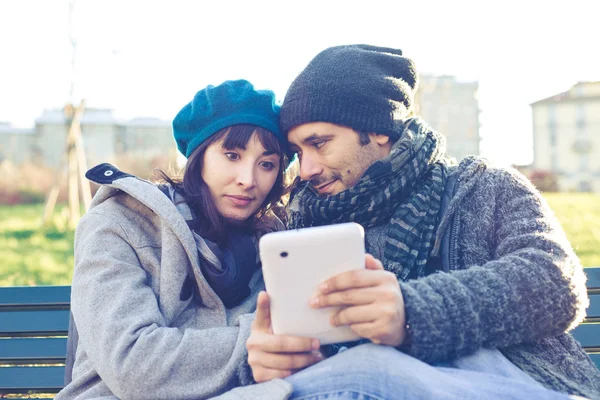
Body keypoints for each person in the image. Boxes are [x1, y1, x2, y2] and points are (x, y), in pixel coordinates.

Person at [245, 45, 600, 399]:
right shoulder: (299, 227)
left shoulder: (484, 187)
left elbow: (556, 282)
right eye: (299, 153)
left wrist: (412, 311)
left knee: (372, 367)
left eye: (319, 144)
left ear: (379, 129)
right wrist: (273, 361)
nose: (306, 170)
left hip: (509, 383)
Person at [55, 79, 297, 399]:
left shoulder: (273, 246)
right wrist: (256, 347)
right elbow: (134, 364)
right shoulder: (117, 223)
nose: (247, 180)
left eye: (266, 164)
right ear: (198, 157)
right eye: (232, 155)